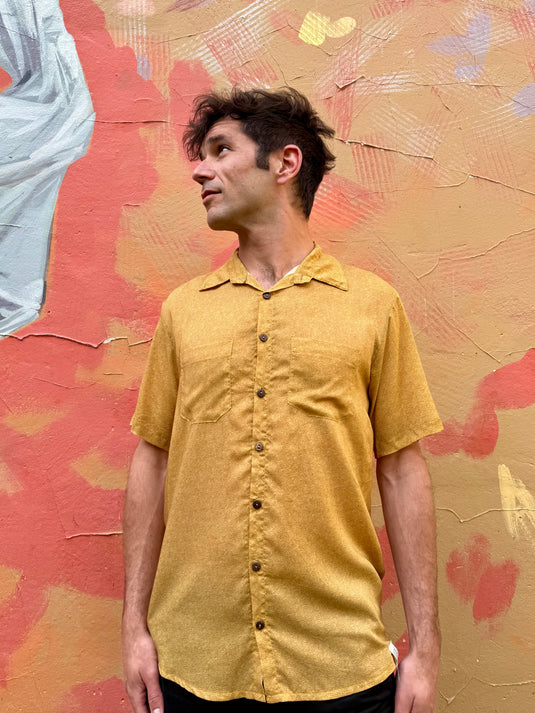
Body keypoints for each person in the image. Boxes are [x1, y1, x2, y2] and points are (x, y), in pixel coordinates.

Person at [122, 87, 443, 713]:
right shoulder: (184, 311)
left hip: (339, 661)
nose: (200, 171)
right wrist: (133, 626)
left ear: (285, 162)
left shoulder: (372, 305)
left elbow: (403, 470)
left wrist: (426, 649)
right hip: (194, 664)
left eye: (221, 150)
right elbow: (152, 461)